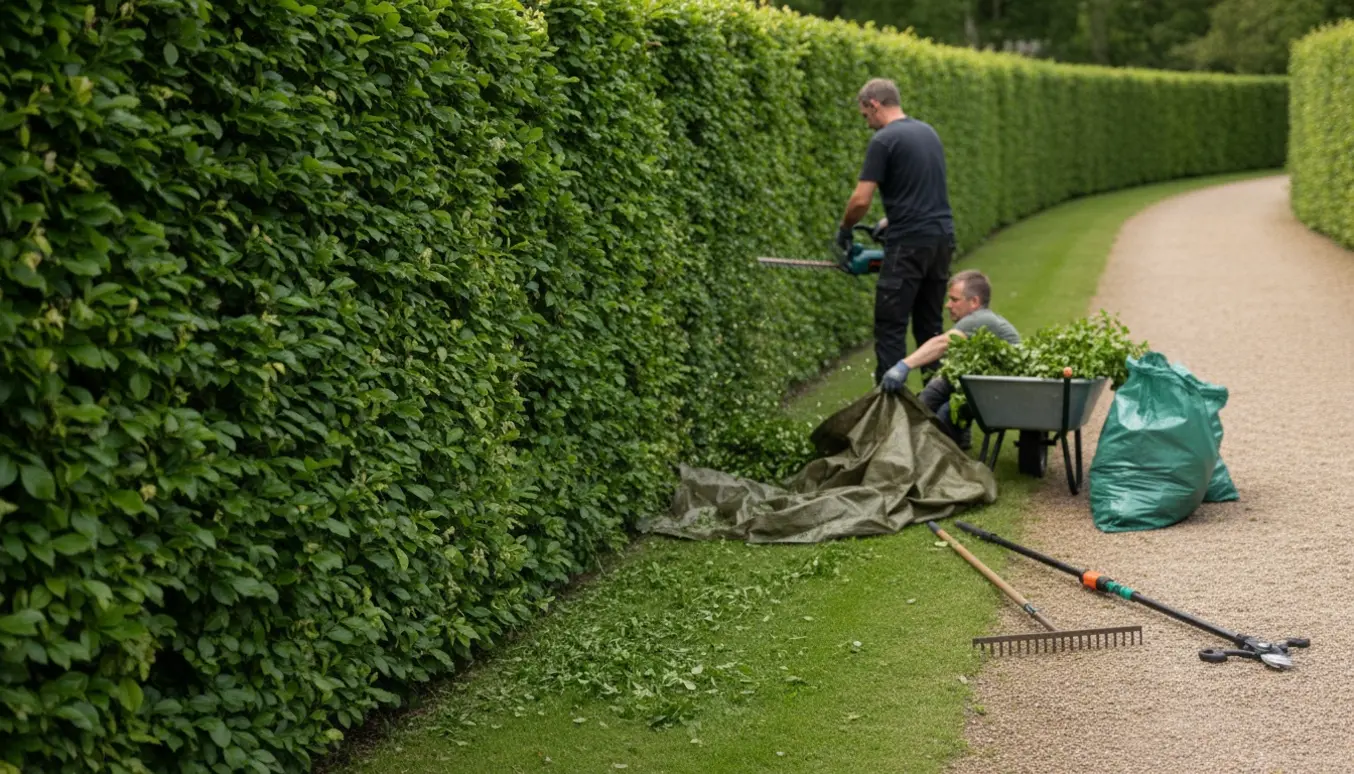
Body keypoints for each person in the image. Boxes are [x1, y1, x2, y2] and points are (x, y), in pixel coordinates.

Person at [835, 77, 956, 386]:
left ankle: (890, 421)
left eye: (865, 116)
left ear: (874, 104)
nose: (868, 124)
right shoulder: (927, 133)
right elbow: (926, 194)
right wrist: (888, 222)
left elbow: (860, 200)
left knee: (890, 328)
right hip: (941, 239)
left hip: (909, 244)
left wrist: (845, 229)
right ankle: (943, 416)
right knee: (930, 329)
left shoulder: (884, 141)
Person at [878, 270, 1020, 447]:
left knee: (946, 413)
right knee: (927, 399)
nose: (947, 305)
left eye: (954, 300)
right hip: (978, 385)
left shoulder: (981, 319)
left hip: (999, 392)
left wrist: (903, 365)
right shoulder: (976, 322)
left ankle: (937, 452)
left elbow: (942, 343)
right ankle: (901, 444)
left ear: (974, 302)